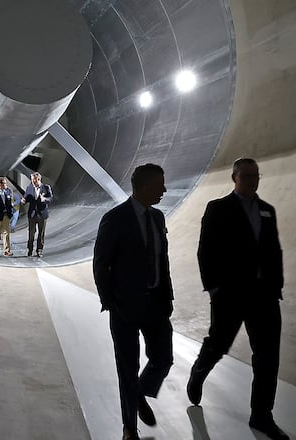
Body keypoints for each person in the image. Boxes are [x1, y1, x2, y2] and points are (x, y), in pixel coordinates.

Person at [187, 158, 288, 440]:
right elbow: (204, 250)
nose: (252, 180)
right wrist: (214, 288)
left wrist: (276, 285)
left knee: (268, 358)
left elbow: (274, 250)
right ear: (234, 178)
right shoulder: (218, 208)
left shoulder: (267, 210)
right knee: (218, 344)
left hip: (265, 297)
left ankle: (261, 415)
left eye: (256, 175)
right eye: (246, 175)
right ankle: (199, 370)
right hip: (229, 295)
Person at [93, 164, 174, 440]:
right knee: (127, 367)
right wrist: (109, 301)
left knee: (163, 358)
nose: (164, 190)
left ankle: (140, 392)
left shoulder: (158, 217)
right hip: (125, 307)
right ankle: (129, 427)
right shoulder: (115, 219)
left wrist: (168, 296)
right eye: (160, 185)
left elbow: (162, 261)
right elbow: (101, 263)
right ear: (144, 187)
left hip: (156, 304)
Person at [20, 172, 53, 257]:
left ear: (38, 179)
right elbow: (26, 197)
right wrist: (23, 201)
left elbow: (51, 199)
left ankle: (39, 250)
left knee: (41, 233)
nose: (33, 182)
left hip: (42, 214)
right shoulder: (29, 187)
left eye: (34, 180)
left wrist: (44, 199)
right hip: (32, 214)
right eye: (32, 180)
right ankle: (30, 250)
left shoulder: (46, 187)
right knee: (31, 233)